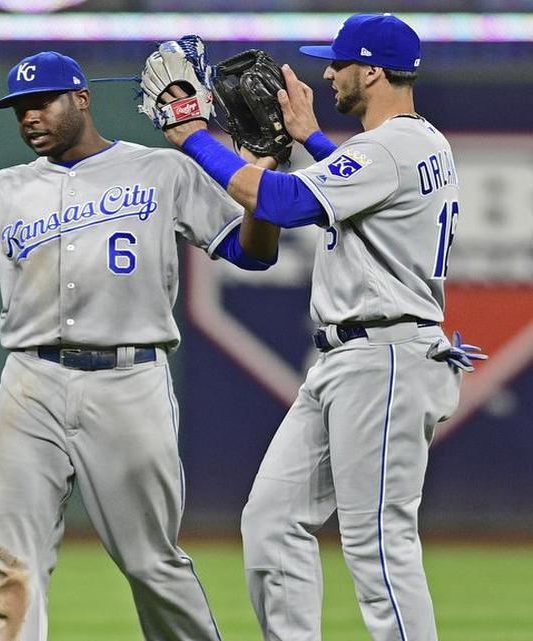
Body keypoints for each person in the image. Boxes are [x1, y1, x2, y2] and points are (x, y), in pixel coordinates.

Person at [0, 50, 281, 641]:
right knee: (14, 567)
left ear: (82, 99)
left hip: (130, 381)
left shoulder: (160, 170)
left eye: (41, 102)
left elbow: (253, 252)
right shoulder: (5, 189)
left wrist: (265, 190)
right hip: (31, 383)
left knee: (152, 563)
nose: (28, 118)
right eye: (19, 109)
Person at [159, 14, 474, 641]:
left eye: (338, 63)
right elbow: (369, 199)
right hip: (355, 358)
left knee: (378, 543)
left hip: (384, 355)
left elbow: (281, 203)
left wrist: (193, 134)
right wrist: (309, 139)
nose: (326, 73)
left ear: (373, 71)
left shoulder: (392, 146)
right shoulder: (412, 145)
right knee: (273, 521)